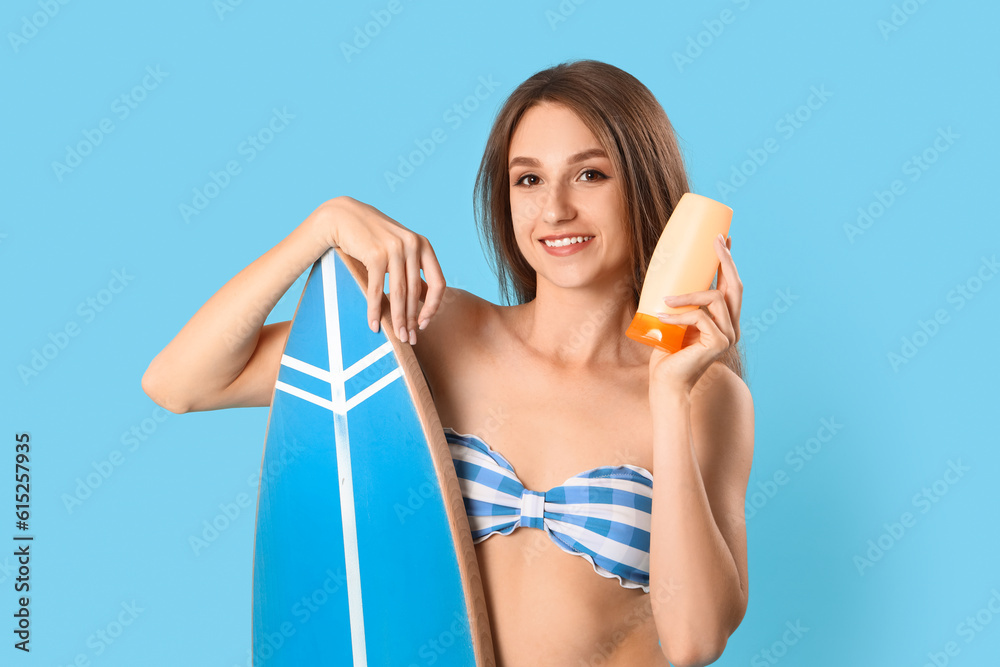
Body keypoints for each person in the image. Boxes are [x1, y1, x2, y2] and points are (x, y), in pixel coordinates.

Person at [142, 59, 754, 667]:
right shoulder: (442, 331)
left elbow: (695, 639)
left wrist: (668, 394)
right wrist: (320, 228)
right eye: (529, 180)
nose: (556, 210)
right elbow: (182, 383)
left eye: (590, 174)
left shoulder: (707, 395)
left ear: (646, 189)